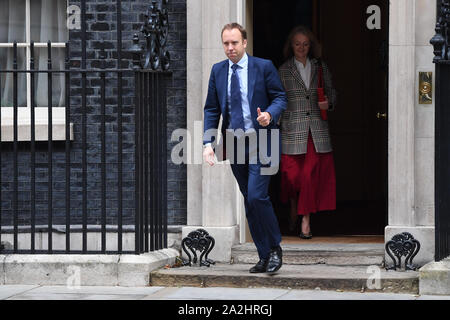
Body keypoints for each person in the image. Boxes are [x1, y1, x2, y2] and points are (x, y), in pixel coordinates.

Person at [203, 23, 287, 273]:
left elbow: (280, 97)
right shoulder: (218, 71)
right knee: (249, 201)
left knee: (257, 195)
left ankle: (274, 248)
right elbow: (211, 109)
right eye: (226, 44)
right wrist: (208, 143)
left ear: (245, 43)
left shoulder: (263, 66)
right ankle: (263, 256)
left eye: (234, 43)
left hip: (263, 141)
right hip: (235, 143)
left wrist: (269, 115)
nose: (230, 48)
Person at [278, 26, 337, 239]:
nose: (301, 48)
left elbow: (332, 94)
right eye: (297, 44)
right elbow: (278, 100)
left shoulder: (320, 67)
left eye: (305, 44)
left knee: (309, 176)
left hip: (316, 132)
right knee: (292, 177)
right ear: (291, 46)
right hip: (292, 130)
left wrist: (327, 104)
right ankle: (294, 202)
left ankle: (305, 220)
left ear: (310, 46)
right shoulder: (283, 70)